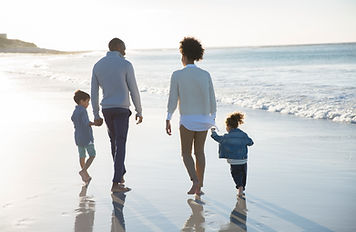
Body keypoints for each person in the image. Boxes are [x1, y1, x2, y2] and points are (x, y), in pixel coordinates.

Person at [91, 38, 143, 193]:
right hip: (121, 109)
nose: (125, 52)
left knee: (114, 142)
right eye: (124, 48)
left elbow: (94, 92)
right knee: (120, 143)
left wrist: (96, 114)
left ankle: (120, 175)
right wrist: (139, 111)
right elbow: (134, 89)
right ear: (118, 47)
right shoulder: (126, 65)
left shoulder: (98, 65)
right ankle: (116, 182)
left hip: (107, 110)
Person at [166, 37, 217, 195]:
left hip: (187, 120)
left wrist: (168, 117)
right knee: (200, 152)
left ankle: (194, 180)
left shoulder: (177, 75)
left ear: (184, 55)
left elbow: (173, 99)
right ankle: (199, 187)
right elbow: (212, 98)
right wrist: (212, 119)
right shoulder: (205, 74)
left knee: (186, 153)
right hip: (204, 120)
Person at [211, 112, 254, 197]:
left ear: (228, 126)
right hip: (243, 159)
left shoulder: (227, 137)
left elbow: (217, 138)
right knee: (243, 174)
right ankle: (242, 187)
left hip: (233, 160)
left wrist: (213, 131)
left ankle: (240, 187)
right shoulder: (243, 134)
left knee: (236, 174)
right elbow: (251, 142)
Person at [71, 90, 96, 185]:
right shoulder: (83, 111)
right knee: (92, 155)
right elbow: (86, 123)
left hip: (78, 136)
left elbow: (73, 119)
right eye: (87, 102)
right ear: (81, 101)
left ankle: (85, 176)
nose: (88, 104)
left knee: (82, 155)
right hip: (86, 136)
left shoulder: (75, 110)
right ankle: (84, 171)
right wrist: (94, 123)